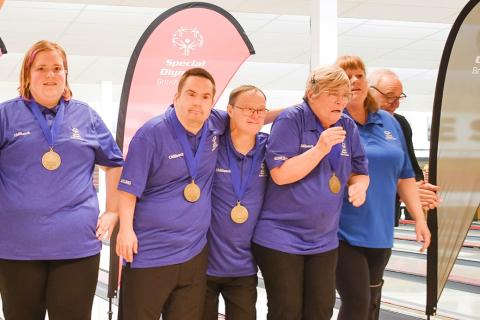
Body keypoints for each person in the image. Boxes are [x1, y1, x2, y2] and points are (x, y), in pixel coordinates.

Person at [0, 40, 123, 320]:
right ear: (27, 74)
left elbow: (114, 164)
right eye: (41, 68)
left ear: (66, 74)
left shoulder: (86, 115)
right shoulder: (6, 115)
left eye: (57, 68)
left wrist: (113, 211)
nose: (50, 74)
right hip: (17, 247)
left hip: (76, 247)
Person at [251, 65, 370, 320]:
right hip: (281, 236)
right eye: (333, 94)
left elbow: (359, 170)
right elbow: (280, 174)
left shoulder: (347, 126)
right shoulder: (292, 120)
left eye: (345, 94)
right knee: (287, 311)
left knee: (321, 311)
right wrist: (320, 149)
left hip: (323, 240)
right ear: (312, 94)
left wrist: (360, 185)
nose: (341, 101)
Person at [115, 67, 227, 320]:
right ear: (176, 97)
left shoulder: (215, 125)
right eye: (191, 94)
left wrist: (295, 111)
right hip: (149, 253)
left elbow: (246, 115)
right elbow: (128, 189)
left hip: (193, 254)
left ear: (212, 102)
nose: (197, 102)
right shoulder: (151, 134)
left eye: (205, 96)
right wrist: (125, 230)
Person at [335, 55, 432, 320]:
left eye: (359, 75)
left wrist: (420, 220)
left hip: (380, 230)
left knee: (371, 304)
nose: (354, 81)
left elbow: (404, 176)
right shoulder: (332, 120)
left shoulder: (390, 123)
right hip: (341, 230)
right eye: (347, 76)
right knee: (357, 302)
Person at [202, 85, 269, 320]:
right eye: (248, 109)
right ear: (229, 110)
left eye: (260, 110)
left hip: (244, 268)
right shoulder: (213, 146)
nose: (255, 115)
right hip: (204, 266)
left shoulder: (268, 148)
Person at [368, 68, 441, 223]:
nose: (395, 104)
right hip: (358, 215)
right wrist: (405, 191)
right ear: (369, 91)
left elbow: (411, 169)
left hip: (387, 216)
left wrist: (420, 188)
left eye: (399, 98)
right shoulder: (351, 124)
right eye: (389, 97)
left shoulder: (399, 123)